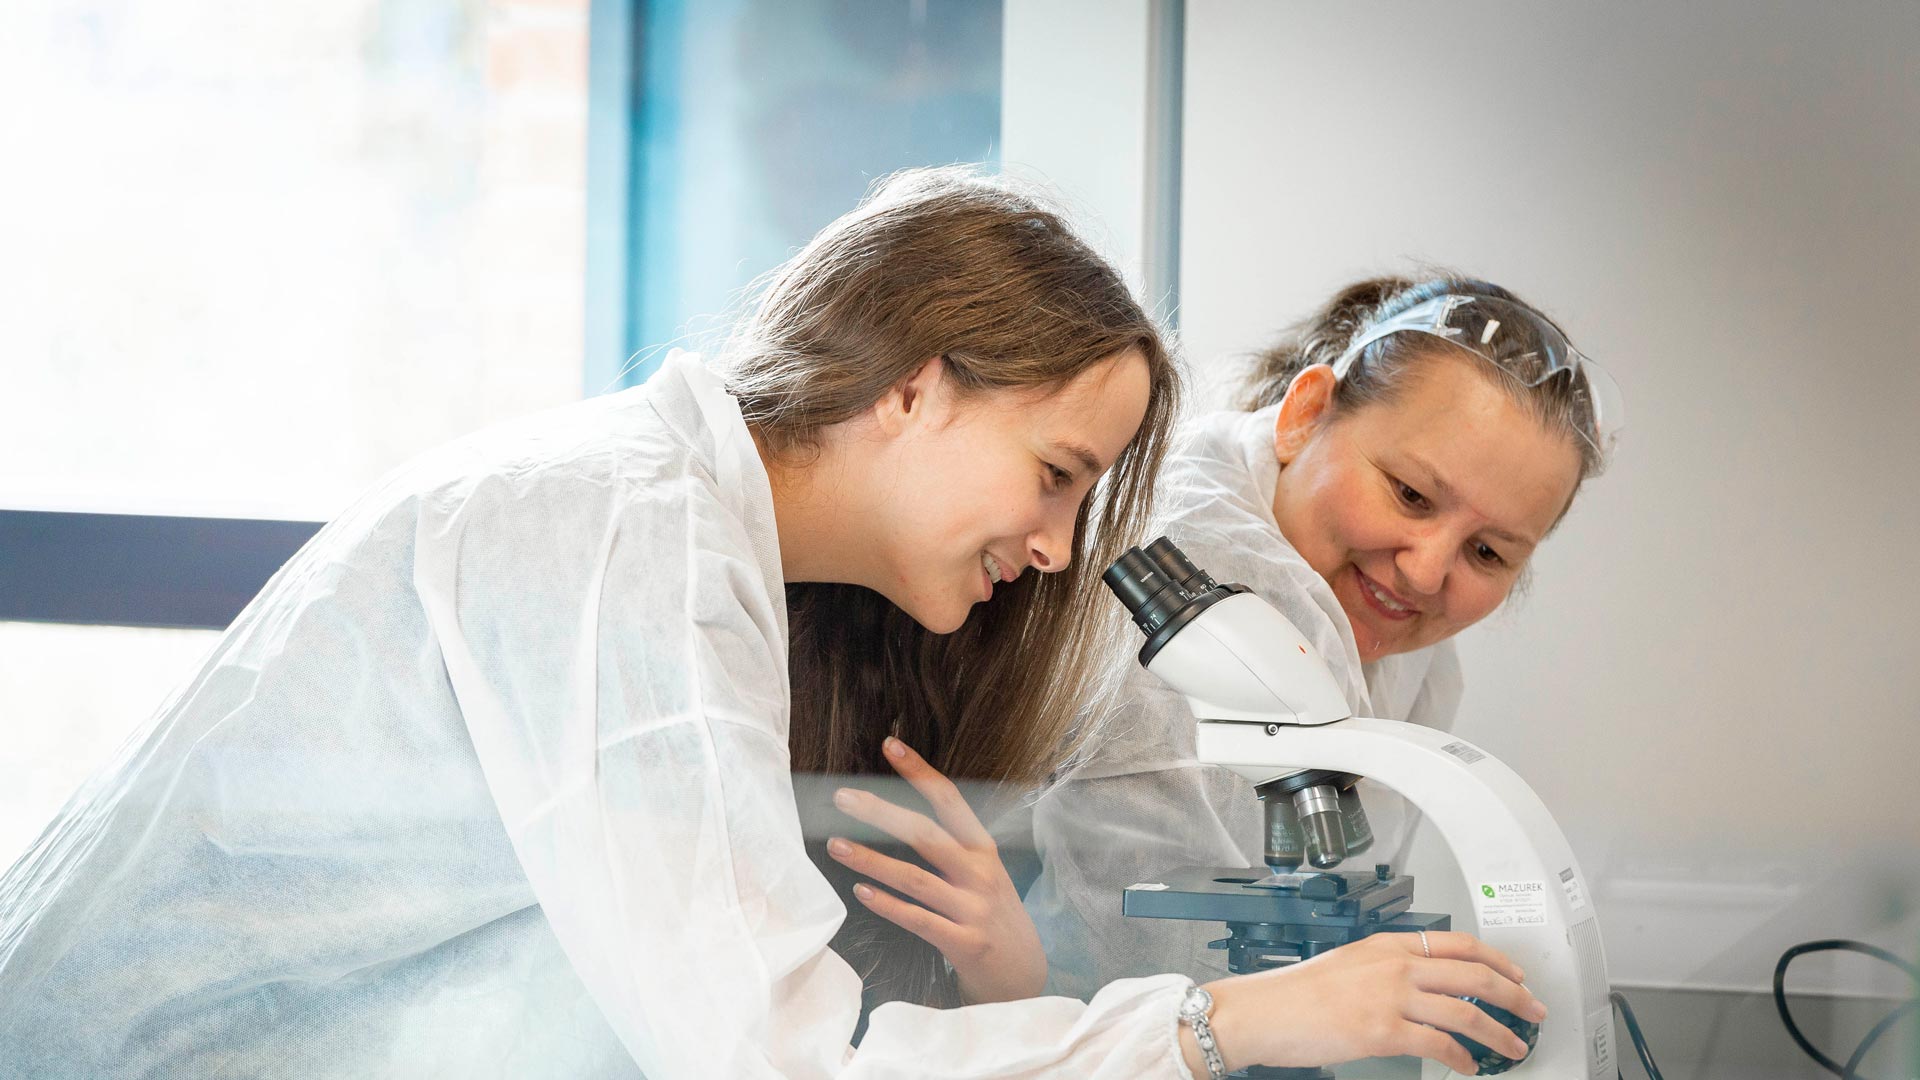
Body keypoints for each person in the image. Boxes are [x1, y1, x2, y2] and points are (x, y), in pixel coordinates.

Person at [0, 178, 1540, 1079]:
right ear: (917, 383)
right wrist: (1216, 1026)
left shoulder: (706, 547)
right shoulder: (628, 545)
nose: (1060, 545)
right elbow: (780, 1059)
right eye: (1057, 475)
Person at [1026, 275, 1621, 1005]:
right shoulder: (1195, 573)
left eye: (1488, 554)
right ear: (1304, 414)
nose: (1428, 572)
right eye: (1410, 494)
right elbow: (1127, 955)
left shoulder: (1395, 631)